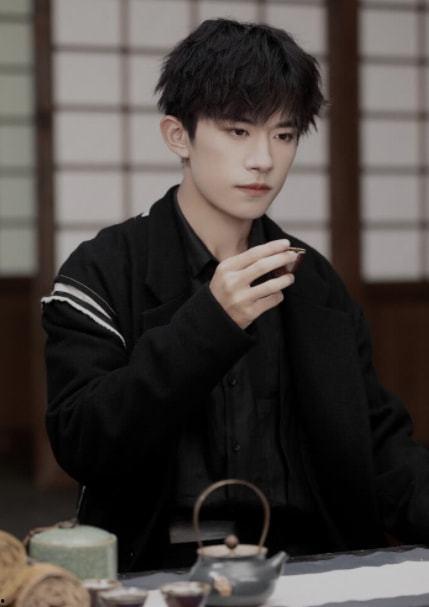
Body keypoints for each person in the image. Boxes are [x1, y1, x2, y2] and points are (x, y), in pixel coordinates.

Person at [42, 18, 429, 573]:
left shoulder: (313, 280)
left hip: (309, 564)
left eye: (284, 135)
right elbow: (83, 441)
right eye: (238, 131)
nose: (264, 160)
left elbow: (380, 447)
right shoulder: (102, 269)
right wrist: (210, 322)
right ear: (178, 135)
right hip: (157, 567)